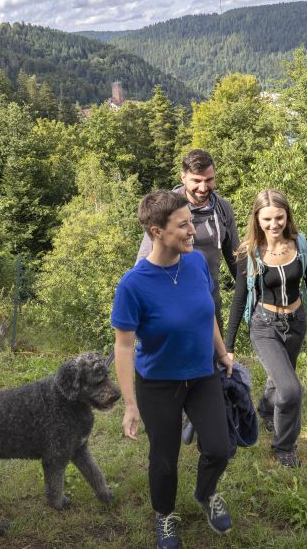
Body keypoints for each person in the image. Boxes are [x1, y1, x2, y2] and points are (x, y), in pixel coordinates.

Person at [114, 190, 236, 549]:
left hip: (202, 375)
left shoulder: (197, 263)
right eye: (183, 226)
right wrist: (130, 403)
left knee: (219, 447)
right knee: (164, 461)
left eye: (191, 224)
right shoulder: (133, 285)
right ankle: (164, 516)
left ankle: (205, 492)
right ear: (156, 231)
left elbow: (207, 313)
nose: (192, 232)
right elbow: (123, 347)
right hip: (158, 384)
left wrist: (223, 352)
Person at [225, 189, 307, 468]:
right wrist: (227, 347)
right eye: (267, 219)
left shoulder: (300, 244)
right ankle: (284, 446)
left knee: (281, 376)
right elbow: (239, 299)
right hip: (264, 325)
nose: (273, 224)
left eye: (279, 217)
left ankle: (266, 409)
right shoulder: (248, 253)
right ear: (256, 219)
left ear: (287, 215)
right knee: (290, 389)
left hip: (296, 321)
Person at [137, 149, 239, 330]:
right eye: (196, 181)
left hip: (209, 301)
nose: (203, 187)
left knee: (212, 356)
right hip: (171, 301)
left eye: (209, 180)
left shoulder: (223, 209)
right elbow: (144, 257)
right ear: (182, 177)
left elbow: (235, 258)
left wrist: (251, 293)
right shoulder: (165, 209)